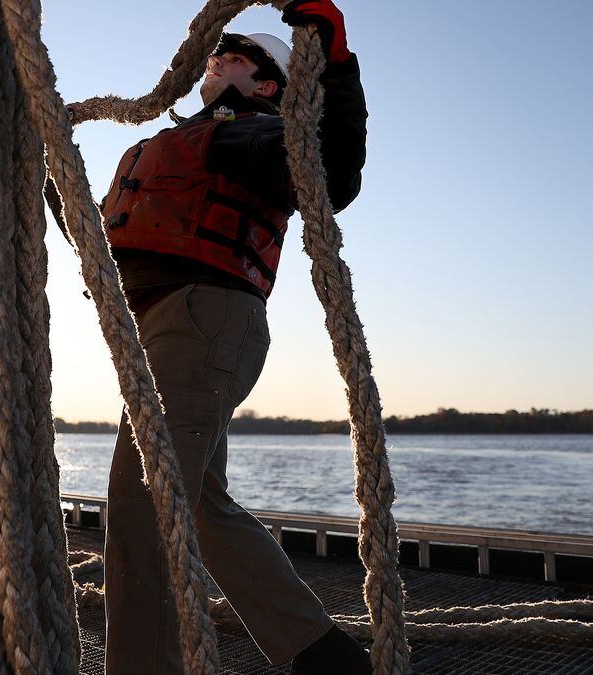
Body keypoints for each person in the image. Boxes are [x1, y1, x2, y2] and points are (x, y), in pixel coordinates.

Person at [98, 1, 372, 673]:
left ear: (269, 85)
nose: (217, 57)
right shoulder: (184, 140)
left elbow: (331, 174)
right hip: (173, 330)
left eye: (237, 56)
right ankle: (322, 655)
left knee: (143, 509)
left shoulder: (253, 135)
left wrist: (334, 62)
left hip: (204, 323)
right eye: (218, 51)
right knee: (204, 508)